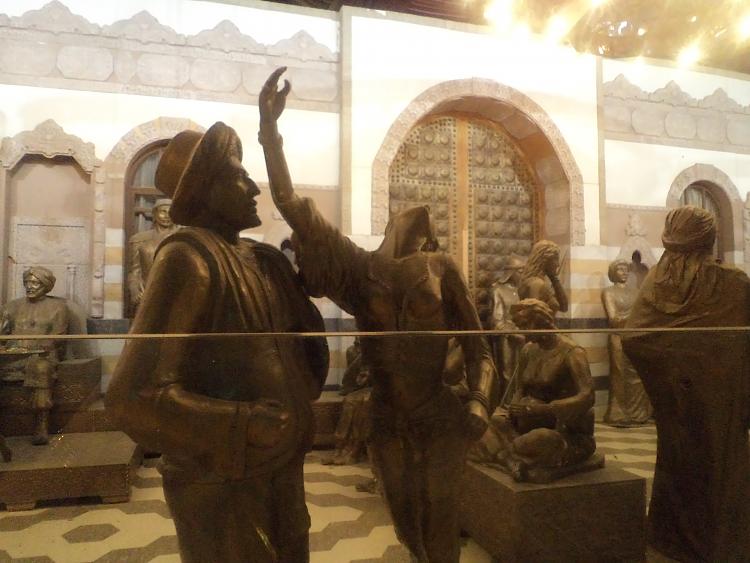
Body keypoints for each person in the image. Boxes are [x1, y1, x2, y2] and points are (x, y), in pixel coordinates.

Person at [258, 67, 497, 563]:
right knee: (407, 522)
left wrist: (478, 400)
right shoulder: (360, 271)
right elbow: (290, 203)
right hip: (387, 416)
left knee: (440, 513)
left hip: (438, 411)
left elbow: (479, 347)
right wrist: (269, 133)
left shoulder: (441, 267)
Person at [105, 121, 329, 563]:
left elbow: (307, 339)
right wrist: (243, 422)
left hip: (281, 464)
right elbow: (131, 397)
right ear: (206, 190)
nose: (253, 188)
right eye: (238, 176)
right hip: (222, 477)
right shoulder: (188, 258)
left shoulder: (261, 259)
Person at [623, 206, 750, 562]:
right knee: (718, 469)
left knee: (681, 464)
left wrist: (669, 376)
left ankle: (673, 542)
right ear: (709, 239)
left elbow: (635, 338)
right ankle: (718, 547)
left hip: (679, 401)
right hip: (718, 402)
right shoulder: (734, 282)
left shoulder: (655, 282)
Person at [470, 299, 596, 483]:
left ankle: (503, 454)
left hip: (562, 431)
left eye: (524, 326)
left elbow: (587, 396)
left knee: (541, 439)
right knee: (489, 425)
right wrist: (513, 408)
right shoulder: (528, 350)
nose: (522, 332)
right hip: (525, 425)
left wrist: (544, 409)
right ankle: (511, 456)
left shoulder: (572, 353)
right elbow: (520, 388)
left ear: (541, 321)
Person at [0, 266, 68, 445]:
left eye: (35, 283)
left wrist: (39, 347)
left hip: (42, 355)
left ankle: (41, 424)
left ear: (45, 286)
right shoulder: (12, 307)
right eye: (27, 282)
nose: (30, 286)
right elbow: (2, 334)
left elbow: (59, 336)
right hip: (13, 354)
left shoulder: (58, 307)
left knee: (41, 368)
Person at [601, 259, 651, 426]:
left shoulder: (636, 292)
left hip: (634, 337)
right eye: (620, 269)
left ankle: (638, 413)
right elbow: (614, 319)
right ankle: (618, 413)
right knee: (619, 375)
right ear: (613, 273)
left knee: (637, 376)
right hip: (618, 338)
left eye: (626, 269)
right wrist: (636, 314)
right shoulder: (608, 292)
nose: (624, 272)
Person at [127, 198, 179, 312]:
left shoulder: (182, 238)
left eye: (170, 212)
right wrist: (134, 290)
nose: (167, 216)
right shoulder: (139, 239)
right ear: (155, 214)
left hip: (176, 295)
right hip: (148, 294)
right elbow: (134, 271)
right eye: (163, 212)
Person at [518, 240, 568, 314]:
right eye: (555, 259)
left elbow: (564, 307)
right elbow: (535, 315)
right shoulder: (537, 284)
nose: (558, 264)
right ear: (545, 259)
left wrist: (554, 278)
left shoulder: (534, 282)